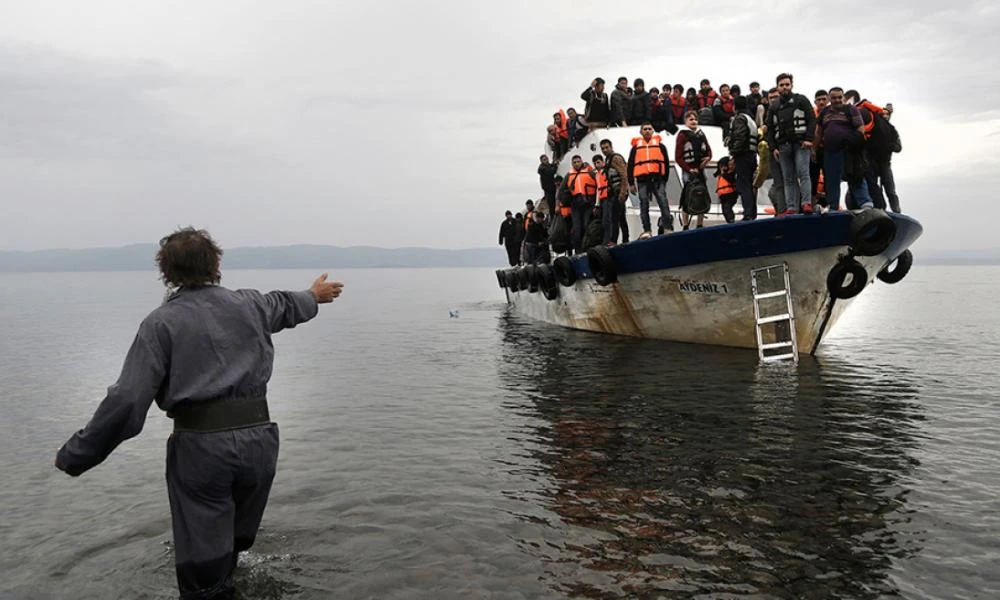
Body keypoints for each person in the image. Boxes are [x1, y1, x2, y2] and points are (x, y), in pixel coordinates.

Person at [54, 227, 344, 600]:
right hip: (260, 442)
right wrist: (314, 296)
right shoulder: (251, 305)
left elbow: (127, 400)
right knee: (235, 544)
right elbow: (287, 304)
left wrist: (77, 454)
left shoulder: (161, 324)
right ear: (217, 263)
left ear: (167, 272)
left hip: (203, 450)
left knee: (202, 569)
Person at [816, 86, 874, 210]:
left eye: (839, 97)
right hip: (830, 152)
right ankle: (833, 207)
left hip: (849, 151)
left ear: (843, 97)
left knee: (856, 177)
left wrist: (854, 142)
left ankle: (866, 204)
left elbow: (860, 128)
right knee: (831, 180)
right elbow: (819, 132)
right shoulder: (824, 112)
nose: (837, 100)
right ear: (829, 99)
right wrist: (813, 150)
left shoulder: (851, 110)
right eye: (834, 98)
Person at [766, 73, 816, 215]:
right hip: (783, 146)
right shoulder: (774, 106)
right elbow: (769, 128)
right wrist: (773, 147)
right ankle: (791, 207)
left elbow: (812, 119)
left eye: (787, 84)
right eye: (781, 85)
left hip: (801, 144)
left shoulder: (801, 100)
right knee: (788, 177)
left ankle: (806, 203)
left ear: (791, 85)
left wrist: (809, 138)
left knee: (803, 173)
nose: (784, 87)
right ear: (777, 87)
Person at [627, 123, 672, 239]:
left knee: (663, 202)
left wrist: (665, 179)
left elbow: (666, 163)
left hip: (658, 179)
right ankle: (647, 230)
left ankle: (667, 227)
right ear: (641, 132)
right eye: (645, 129)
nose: (647, 131)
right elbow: (631, 165)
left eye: (649, 129)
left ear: (653, 131)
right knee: (644, 205)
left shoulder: (661, 146)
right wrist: (631, 183)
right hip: (642, 180)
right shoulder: (635, 148)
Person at [675, 111, 713, 229]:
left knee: (701, 194)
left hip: (700, 170)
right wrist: (689, 169)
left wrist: (706, 160)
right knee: (687, 195)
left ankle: (699, 224)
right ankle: (685, 225)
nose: (693, 122)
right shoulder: (682, 135)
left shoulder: (701, 134)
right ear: (686, 122)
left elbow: (709, 151)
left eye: (695, 119)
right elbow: (678, 157)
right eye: (691, 119)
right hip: (688, 171)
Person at [726, 96, 759, 220]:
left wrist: (733, 153)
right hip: (752, 155)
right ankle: (752, 213)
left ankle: (748, 214)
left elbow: (740, 137)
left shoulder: (739, 118)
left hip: (743, 156)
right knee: (749, 185)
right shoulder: (750, 119)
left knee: (743, 185)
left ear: (735, 106)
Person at [599, 138, 631, 245]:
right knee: (621, 218)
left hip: (619, 191)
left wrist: (623, 192)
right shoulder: (608, 159)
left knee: (615, 217)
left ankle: (614, 240)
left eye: (606, 147)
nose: (604, 150)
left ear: (611, 147)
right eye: (602, 148)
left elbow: (623, 175)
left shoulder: (615, 158)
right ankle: (625, 239)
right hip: (614, 191)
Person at [565, 155, 598, 252]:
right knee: (577, 228)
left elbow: (599, 183)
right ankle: (578, 250)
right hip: (576, 204)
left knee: (586, 225)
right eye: (574, 162)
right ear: (572, 164)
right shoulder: (569, 175)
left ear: (581, 161)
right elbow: (562, 190)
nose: (576, 164)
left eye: (578, 162)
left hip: (589, 202)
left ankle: (588, 247)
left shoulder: (589, 171)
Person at [811, 90, 829, 207]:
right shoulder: (811, 114)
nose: (821, 102)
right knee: (812, 176)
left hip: (829, 150)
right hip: (813, 150)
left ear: (827, 100)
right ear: (815, 101)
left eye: (824, 99)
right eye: (819, 100)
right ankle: (811, 203)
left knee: (830, 176)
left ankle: (830, 204)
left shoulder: (834, 113)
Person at [714, 157, 739, 223]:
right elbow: (716, 174)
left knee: (727, 208)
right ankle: (729, 221)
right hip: (723, 196)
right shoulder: (721, 173)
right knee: (724, 210)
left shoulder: (731, 173)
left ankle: (731, 220)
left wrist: (723, 173)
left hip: (731, 194)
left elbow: (731, 179)